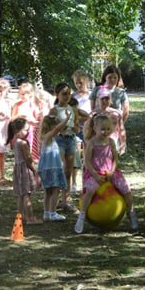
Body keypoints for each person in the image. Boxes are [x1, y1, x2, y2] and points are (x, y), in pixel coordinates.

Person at [74, 114, 137, 234]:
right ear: (95, 128)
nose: (106, 131)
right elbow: (87, 161)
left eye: (108, 129)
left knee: (125, 188)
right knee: (91, 190)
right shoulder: (91, 143)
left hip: (111, 171)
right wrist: (95, 175)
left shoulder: (111, 142)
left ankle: (132, 212)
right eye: (103, 129)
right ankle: (82, 216)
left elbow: (115, 158)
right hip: (94, 172)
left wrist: (113, 170)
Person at [51, 83, 83, 212]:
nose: (67, 97)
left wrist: (74, 128)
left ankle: (66, 200)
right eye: (64, 94)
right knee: (58, 170)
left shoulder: (72, 109)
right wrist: (60, 128)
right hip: (59, 140)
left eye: (69, 94)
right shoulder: (54, 110)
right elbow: (50, 128)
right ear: (57, 95)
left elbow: (76, 126)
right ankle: (55, 200)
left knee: (68, 171)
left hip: (71, 140)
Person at [89, 65, 129, 155]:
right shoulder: (97, 90)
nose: (112, 80)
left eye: (115, 77)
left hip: (113, 127)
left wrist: (117, 126)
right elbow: (92, 108)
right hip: (98, 126)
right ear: (105, 77)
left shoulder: (121, 93)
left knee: (112, 154)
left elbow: (126, 112)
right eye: (110, 77)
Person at [7, 117, 40, 225]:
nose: (28, 132)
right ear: (17, 130)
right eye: (26, 130)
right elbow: (28, 159)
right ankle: (30, 218)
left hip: (18, 170)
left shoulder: (15, 142)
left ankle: (20, 216)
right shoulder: (23, 143)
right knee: (27, 195)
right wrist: (34, 170)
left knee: (21, 195)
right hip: (25, 170)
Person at [38, 113, 70, 222]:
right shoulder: (48, 137)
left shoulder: (48, 140)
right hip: (52, 168)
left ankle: (46, 213)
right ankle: (52, 212)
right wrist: (67, 119)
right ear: (51, 127)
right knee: (56, 189)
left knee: (48, 191)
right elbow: (57, 129)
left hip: (47, 167)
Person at [70, 70, 93, 199]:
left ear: (86, 81)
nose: (78, 85)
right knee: (76, 156)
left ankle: (86, 181)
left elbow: (92, 112)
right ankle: (74, 183)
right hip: (77, 128)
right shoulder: (73, 97)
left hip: (89, 128)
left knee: (87, 156)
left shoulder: (91, 95)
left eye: (81, 82)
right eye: (76, 83)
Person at [91, 87, 125, 154]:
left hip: (112, 143)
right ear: (97, 100)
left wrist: (123, 144)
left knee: (111, 161)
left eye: (107, 98)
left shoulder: (116, 114)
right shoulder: (93, 114)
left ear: (111, 99)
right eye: (102, 98)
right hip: (97, 145)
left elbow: (121, 129)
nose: (105, 101)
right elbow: (88, 131)